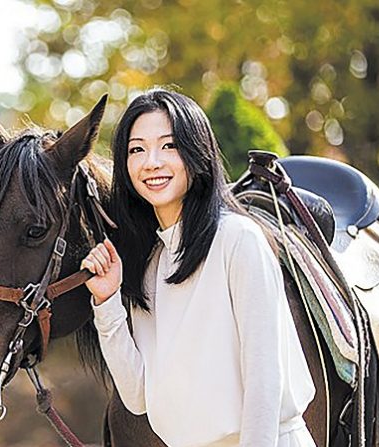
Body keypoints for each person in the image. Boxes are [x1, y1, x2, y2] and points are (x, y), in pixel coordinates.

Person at [80, 88, 316, 447]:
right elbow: (137, 396)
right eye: (136, 149)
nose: (152, 162)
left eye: (169, 146)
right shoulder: (150, 263)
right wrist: (107, 301)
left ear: (196, 152)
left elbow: (264, 384)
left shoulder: (239, 240)